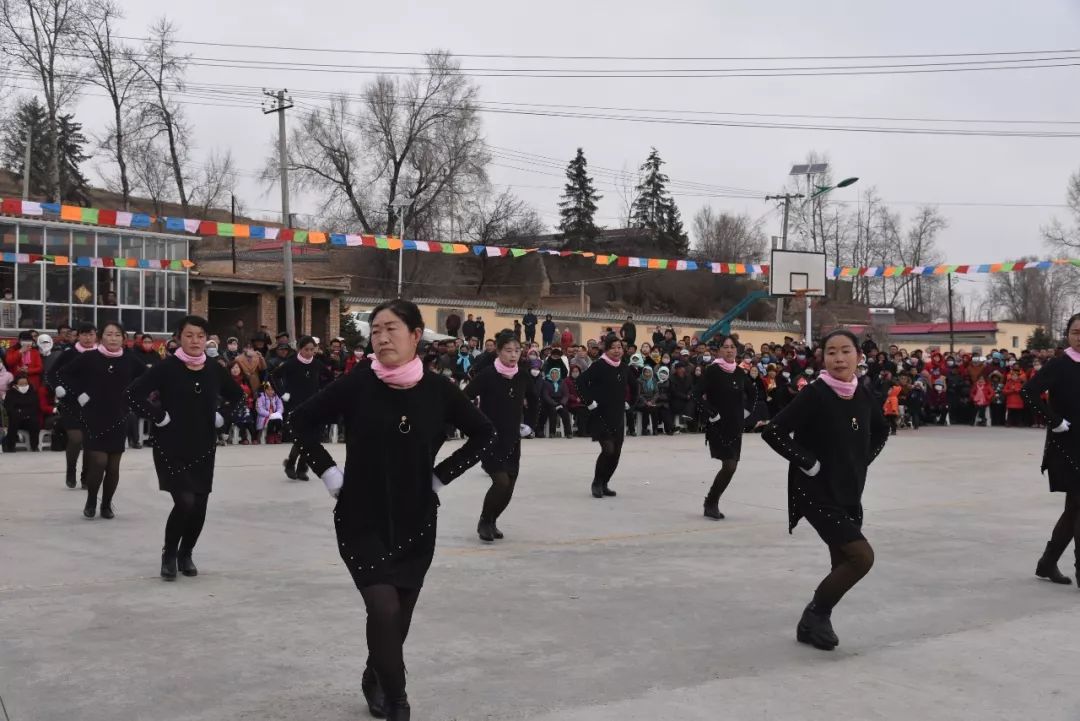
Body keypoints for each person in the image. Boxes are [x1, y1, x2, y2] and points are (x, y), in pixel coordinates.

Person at [288, 299, 494, 721]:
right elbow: (298, 421)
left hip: (416, 518)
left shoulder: (439, 391)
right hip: (360, 515)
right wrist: (328, 471)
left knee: (398, 617)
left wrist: (440, 477)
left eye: (391, 329)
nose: (381, 338)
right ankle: (399, 701)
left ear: (416, 336)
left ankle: (374, 675)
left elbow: (484, 434)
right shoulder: (357, 383)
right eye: (375, 330)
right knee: (382, 607)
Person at [762, 329, 889, 651]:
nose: (839, 358)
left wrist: (863, 461)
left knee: (841, 563)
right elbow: (773, 432)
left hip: (849, 491)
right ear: (823, 358)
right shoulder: (815, 393)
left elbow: (882, 430)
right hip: (815, 491)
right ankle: (814, 615)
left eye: (845, 351)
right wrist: (808, 463)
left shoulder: (862, 392)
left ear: (859, 357)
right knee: (861, 558)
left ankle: (817, 624)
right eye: (831, 352)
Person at [126, 315, 243, 581]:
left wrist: (223, 415)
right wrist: (158, 416)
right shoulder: (166, 367)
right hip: (171, 445)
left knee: (199, 505)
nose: (195, 341)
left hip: (203, 445)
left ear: (207, 339)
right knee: (185, 501)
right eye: (189, 335)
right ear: (179, 337)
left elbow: (238, 396)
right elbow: (133, 394)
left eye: (200, 336)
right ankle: (169, 553)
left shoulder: (214, 368)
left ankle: (186, 553)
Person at [58, 321, 144, 519]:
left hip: (118, 416)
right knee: (98, 461)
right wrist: (78, 393)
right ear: (101, 337)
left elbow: (148, 377)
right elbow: (62, 375)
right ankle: (91, 500)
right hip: (93, 416)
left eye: (117, 335)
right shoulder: (89, 357)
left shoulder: (130, 359)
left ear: (123, 339)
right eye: (108, 334)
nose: (113, 338)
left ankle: (106, 505)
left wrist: (134, 396)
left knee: (113, 467)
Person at [1020, 313, 1080, 588]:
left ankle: (1047, 563)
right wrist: (1053, 420)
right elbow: (1028, 392)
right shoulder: (1059, 364)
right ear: (1067, 335)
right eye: (1076, 332)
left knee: (1074, 509)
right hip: (1065, 445)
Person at [463, 330, 537, 542]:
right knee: (501, 482)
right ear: (498, 351)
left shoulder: (522, 375)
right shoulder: (487, 374)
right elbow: (464, 398)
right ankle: (484, 521)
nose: (513, 355)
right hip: (491, 439)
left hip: (513, 438)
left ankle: (493, 520)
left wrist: (529, 424)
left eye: (517, 350)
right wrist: (474, 424)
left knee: (510, 485)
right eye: (508, 351)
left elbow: (534, 401)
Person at [696, 335, 758, 519]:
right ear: (719, 350)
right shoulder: (712, 371)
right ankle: (711, 502)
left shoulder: (739, 373)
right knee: (729, 465)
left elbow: (753, 392)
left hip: (735, 426)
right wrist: (712, 414)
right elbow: (695, 395)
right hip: (718, 426)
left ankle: (711, 501)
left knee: (732, 465)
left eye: (732, 347)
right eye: (725, 347)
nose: (729, 350)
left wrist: (746, 412)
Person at [577, 334, 636, 499]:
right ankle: (596, 482)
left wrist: (631, 403)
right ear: (606, 349)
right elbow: (580, 382)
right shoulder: (599, 365)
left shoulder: (625, 367)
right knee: (608, 449)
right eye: (613, 348)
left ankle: (605, 483)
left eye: (619, 347)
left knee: (616, 452)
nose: (617, 351)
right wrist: (589, 402)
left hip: (617, 416)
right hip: (600, 415)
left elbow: (635, 386)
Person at [273, 335, 331, 481]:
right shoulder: (291, 364)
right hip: (296, 406)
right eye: (306, 349)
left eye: (312, 349)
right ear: (300, 349)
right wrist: (282, 393)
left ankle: (301, 468)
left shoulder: (317, 364)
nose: (309, 352)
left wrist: (322, 391)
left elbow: (329, 378)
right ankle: (291, 464)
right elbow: (274, 376)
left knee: (312, 438)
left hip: (313, 405)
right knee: (301, 438)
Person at [49, 323, 98, 488]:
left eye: (91, 334)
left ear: (96, 336)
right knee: (76, 439)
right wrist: (59, 387)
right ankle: (71, 470)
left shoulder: (100, 354)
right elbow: (51, 374)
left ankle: (86, 476)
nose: (87, 338)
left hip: (93, 404)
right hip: (71, 403)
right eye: (84, 335)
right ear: (78, 336)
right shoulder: (69, 354)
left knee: (90, 442)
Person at [2, 372, 40, 452]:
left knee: (34, 421)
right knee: (14, 420)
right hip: (16, 418)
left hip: (29, 417)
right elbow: (9, 408)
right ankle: (10, 446)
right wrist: (20, 413)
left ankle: (34, 446)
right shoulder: (11, 393)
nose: (23, 386)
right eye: (21, 384)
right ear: (16, 383)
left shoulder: (32, 392)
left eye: (25, 384)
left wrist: (23, 412)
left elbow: (35, 406)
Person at [538, 366, 573, 439]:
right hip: (550, 403)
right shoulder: (546, 383)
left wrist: (562, 403)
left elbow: (566, 395)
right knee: (552, 412)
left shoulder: (562, 382)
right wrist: (555, 404)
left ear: (559, 374)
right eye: (552, 373)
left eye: (556, 373)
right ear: (550, 374)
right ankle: (552, 432)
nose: (554, 375)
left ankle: (568, 433)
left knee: (565, 413)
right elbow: (545, 396)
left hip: (561, 402)